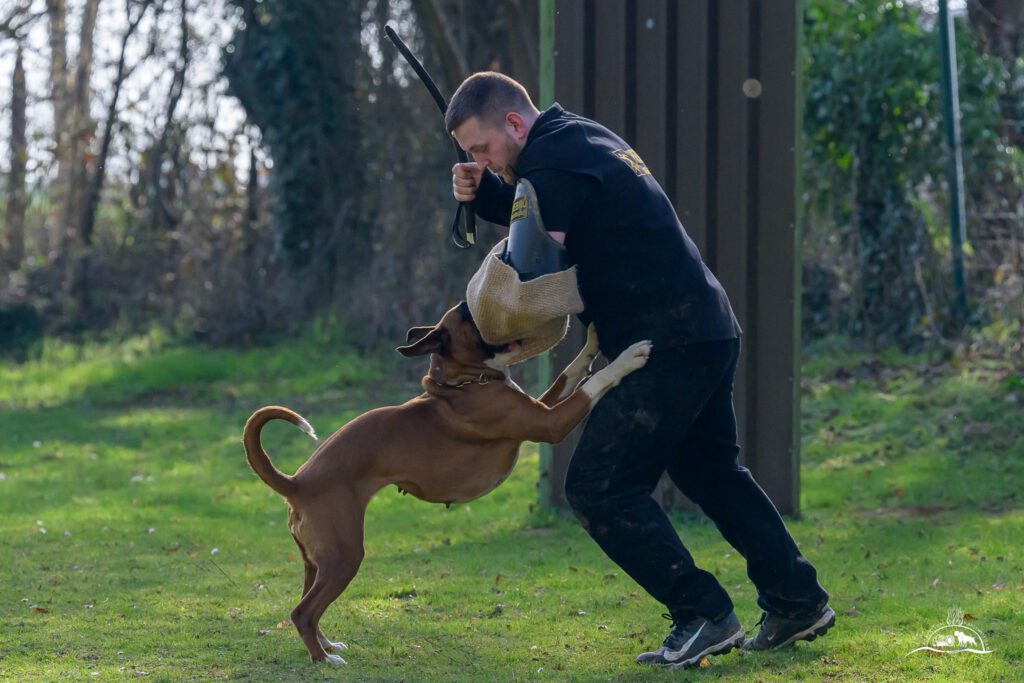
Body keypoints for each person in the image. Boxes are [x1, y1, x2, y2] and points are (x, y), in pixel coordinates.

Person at [445, 71, 834, 668]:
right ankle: (796, 601)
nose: (480, 159)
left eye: (482, 148)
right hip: (704, 326)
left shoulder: (550, 167)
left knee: (598, 487)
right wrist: (488, 193)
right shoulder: (577, 137)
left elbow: (531, 265)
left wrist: (488, 289)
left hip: (668, 341)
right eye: (469, 155)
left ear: (515, 125)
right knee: (713, 475)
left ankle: (702, 611)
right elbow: (548, 206)